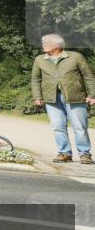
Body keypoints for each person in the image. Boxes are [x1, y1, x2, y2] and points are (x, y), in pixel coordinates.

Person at [31, 34, 95, 164]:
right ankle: (65, 153)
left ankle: (85, 154)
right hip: (51, 98)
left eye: (46, 42)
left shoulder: (75, 57)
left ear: (57, 45)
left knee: (79, 126)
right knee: (57, 126)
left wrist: (92, 95)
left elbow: (88, 76)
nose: (43, 44)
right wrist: (37, 96)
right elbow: (35, 79)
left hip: (75, 96)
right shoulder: (39, 59)